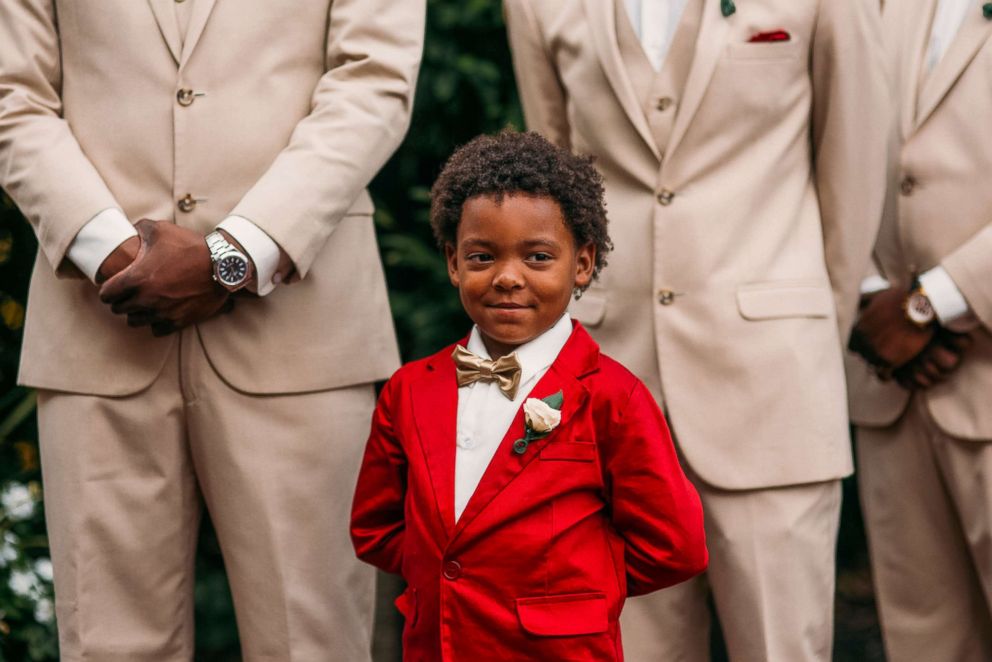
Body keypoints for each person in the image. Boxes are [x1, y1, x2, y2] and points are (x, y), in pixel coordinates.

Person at [0, 0, 424, 659]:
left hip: (300, 326)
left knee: (313, 644)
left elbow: (375, 77)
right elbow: (11, 90)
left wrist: (233, 257)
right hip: (97, 321)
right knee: (107, 647)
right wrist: (112, 252)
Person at [503, 1, 888, 660]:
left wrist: (807, 323)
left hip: (773, 382)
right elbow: (555, 187)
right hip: (606, 380)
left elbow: (853, 167)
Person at [350, 131, 708, 661]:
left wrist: (572, 593)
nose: (508, 278)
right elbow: (375, 527)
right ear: (453, 262)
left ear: (582, 264)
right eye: (481, 257)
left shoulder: (614, 397)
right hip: (439, 642)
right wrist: (451, 579)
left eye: (538, 257)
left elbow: (675, 546)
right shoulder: (409, 390)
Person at [847, 1, 992, 659]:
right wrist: (873, 297)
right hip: (890, 379)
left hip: (978, 355)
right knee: (923, 639)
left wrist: (932, 303)